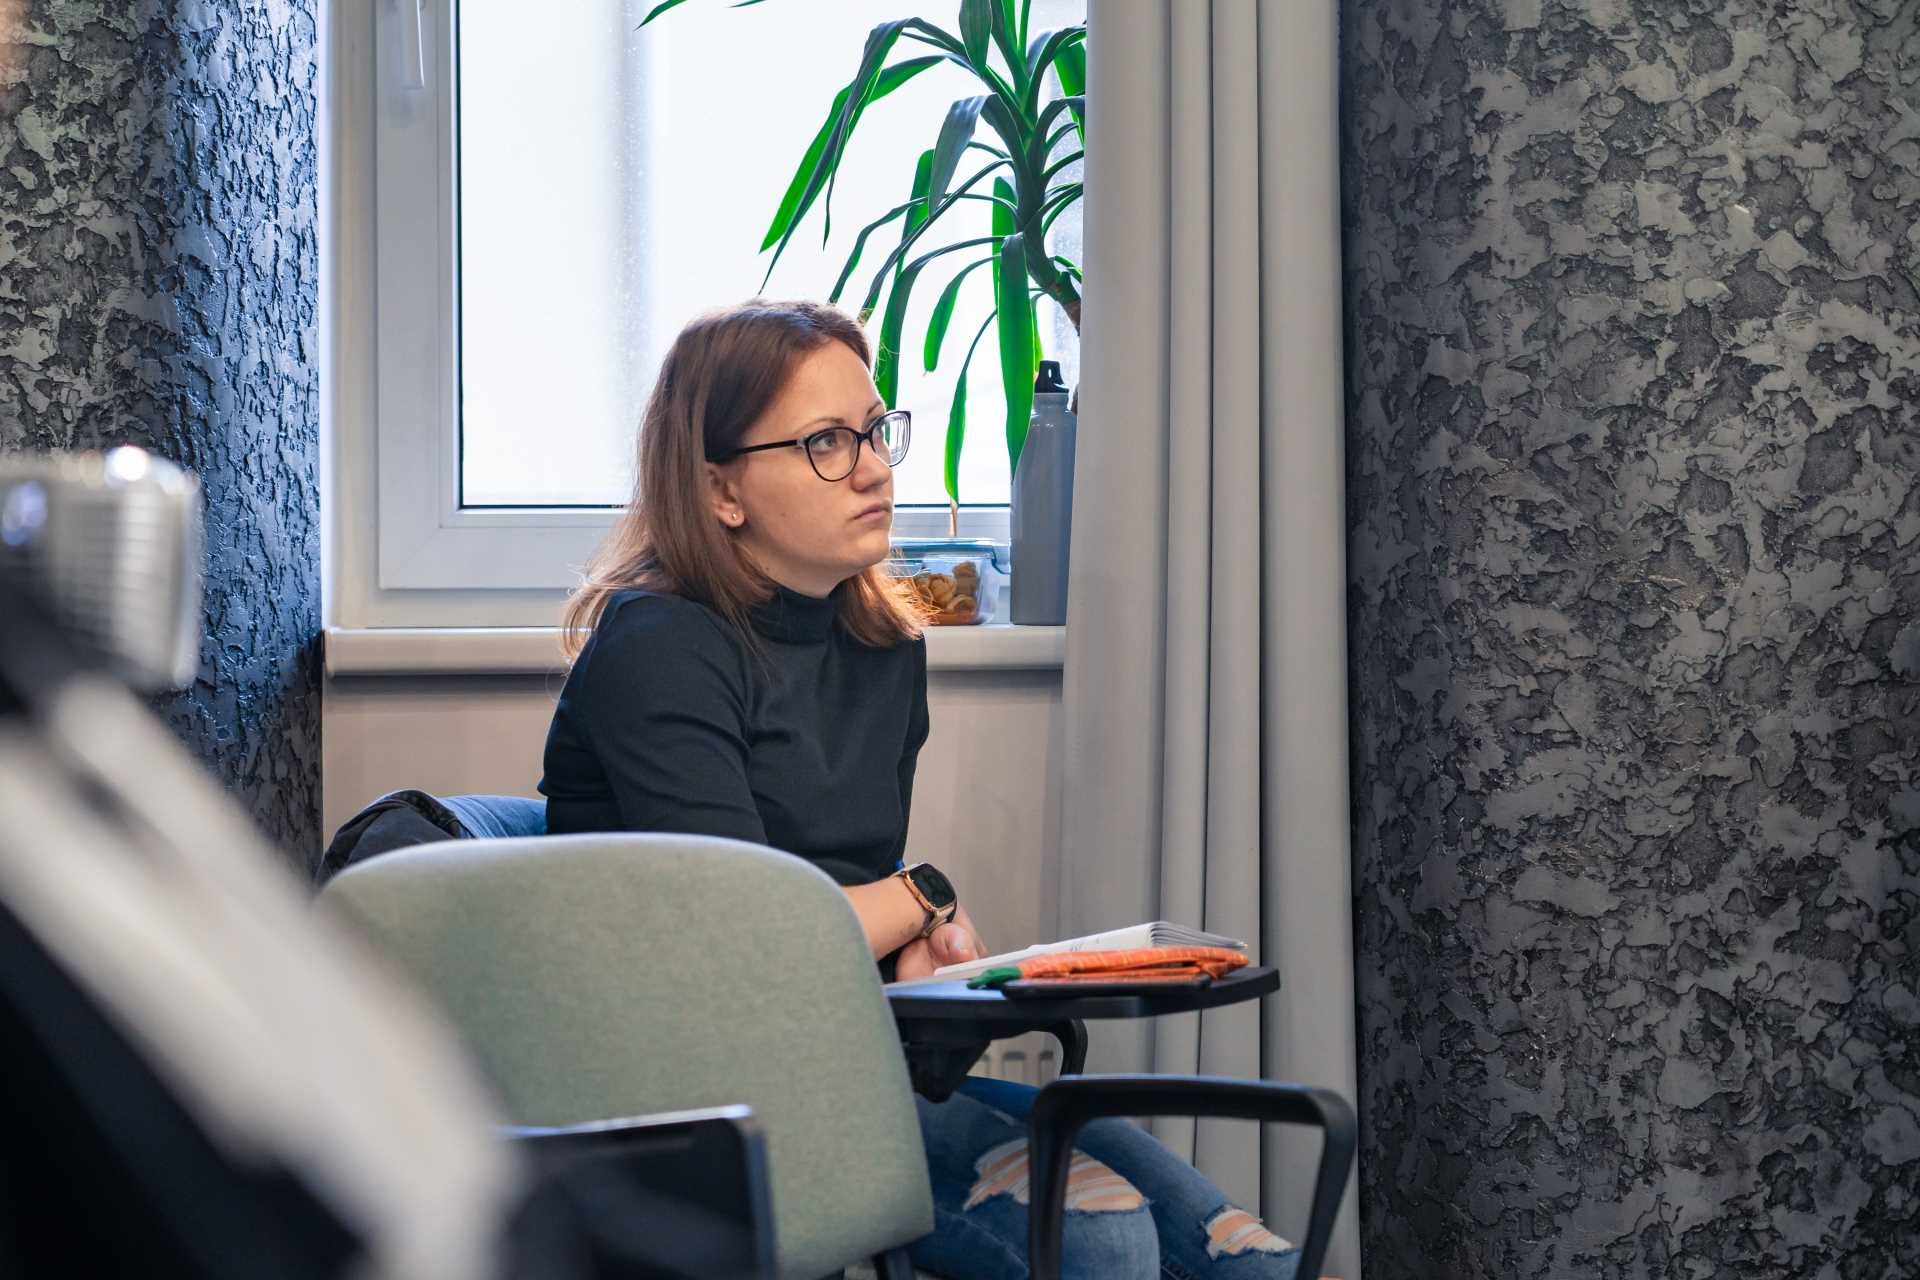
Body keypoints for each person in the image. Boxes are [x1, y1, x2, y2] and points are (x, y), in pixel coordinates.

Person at [538, 299, 1307, 1279]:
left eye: (873, 429)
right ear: (721, 489)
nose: (873, 467)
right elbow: (747, 936)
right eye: (825, 442)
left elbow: (841, 904)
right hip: (700, 1104)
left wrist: (919, 955)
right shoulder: (659, 646)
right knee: (1106, 1234)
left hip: (848, 1074)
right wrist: (920, 897)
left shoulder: (879, 645)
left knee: (1245, 1252)